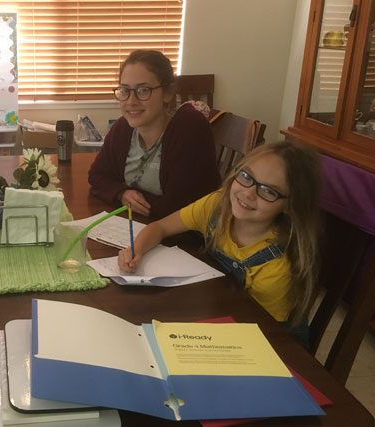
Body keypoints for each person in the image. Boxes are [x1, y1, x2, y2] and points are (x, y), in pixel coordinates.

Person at [118, 141, 322, 346]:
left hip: (266, 341)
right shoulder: (217, 205)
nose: (248, 193)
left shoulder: (278, 268)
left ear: (289, 205)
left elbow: (264, 335)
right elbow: (161, 227)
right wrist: (136, 250)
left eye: (268, 191)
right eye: (246, 176)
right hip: (220, 313)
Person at [88, 50, 221, 220]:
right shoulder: (123, 128)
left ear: (167, 93)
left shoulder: (190, 130)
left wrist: (136, 201)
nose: (131, 101)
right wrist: (122, 193)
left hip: (186, 240)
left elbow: (179, 209)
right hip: (141, 226)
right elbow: (97, 175)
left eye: (143, 90)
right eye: (124, 90)